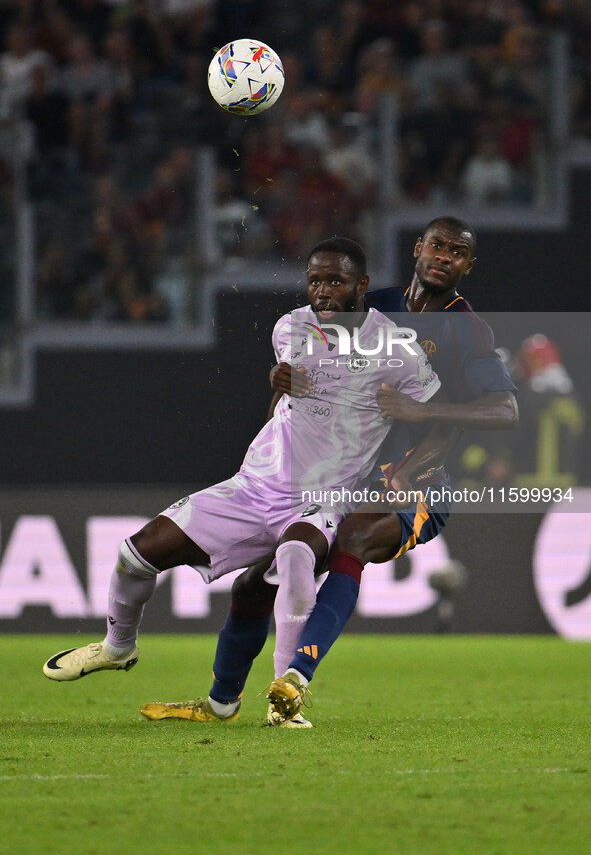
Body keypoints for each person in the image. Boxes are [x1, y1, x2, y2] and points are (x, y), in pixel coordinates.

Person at [139, 216, 518, 727]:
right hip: (340, 479)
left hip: (416, 485)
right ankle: (220, 703)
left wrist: (421, 413)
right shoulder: (373, 305)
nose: (444, 257)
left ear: (468, 265)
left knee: (354, 540)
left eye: (457, 252)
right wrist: (283, 387)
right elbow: (309, 371)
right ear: (417, 249)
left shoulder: (465, 328)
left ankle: (294, 678)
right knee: (255, 584)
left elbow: (503, 411)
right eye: (437, 246)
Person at [42, 237, 442, 723]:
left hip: (323, 498)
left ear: (361, 286)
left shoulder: (398, 350)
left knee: (296, 555)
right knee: (135, 554)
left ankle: (285, 701)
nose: (322, 291)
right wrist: (279, 388)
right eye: (314, 280)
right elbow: (289, 399)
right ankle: (117, 646)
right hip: (256, 486)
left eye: (335, 281)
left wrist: (411, 465)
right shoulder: (290, 328)